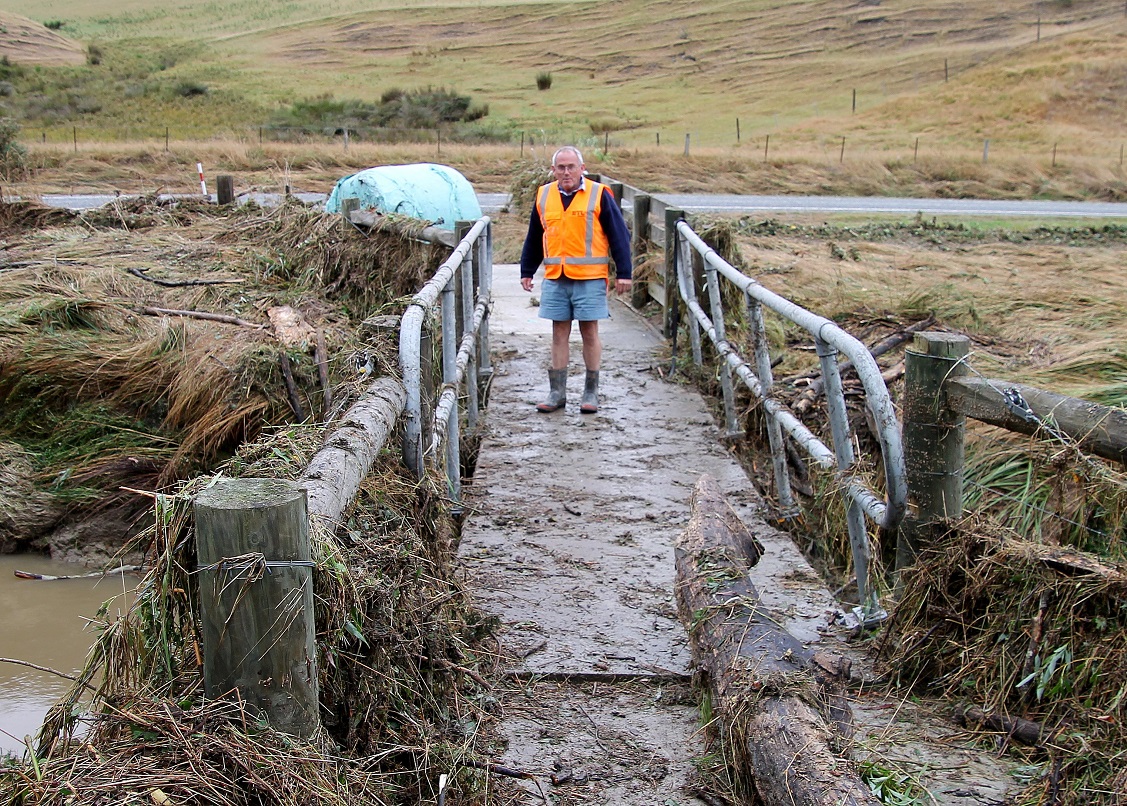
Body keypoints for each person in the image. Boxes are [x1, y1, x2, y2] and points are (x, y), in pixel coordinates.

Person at [520, 146, 633, 414]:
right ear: (553, 170)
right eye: (561, 167)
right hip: (556, 277)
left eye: (571, 167)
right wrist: (527, 269)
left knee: (589, 333)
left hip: (590, 278)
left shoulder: (599, 194)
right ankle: (557, 392)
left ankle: (590, 392)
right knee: (558, 333)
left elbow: (619, 236)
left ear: (582, 168)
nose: (566, 172)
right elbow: (535, 235)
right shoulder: (544, 195)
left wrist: (625, 273)